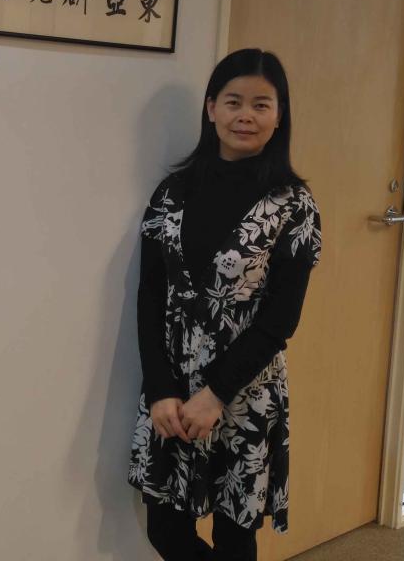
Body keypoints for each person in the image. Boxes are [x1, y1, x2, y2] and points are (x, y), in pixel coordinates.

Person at [127, 48, 321, 560]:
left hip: (243, 393)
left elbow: (280, 320)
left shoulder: (294, 206)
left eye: (261, 104)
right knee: (165, 530)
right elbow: (150, 296)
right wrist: (160, 389)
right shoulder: (172, 192)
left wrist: (214, 395)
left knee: (235, 538)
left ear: (279, 116)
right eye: (233, 101)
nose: (245, 115)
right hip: (172, 390)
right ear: (211, 108)